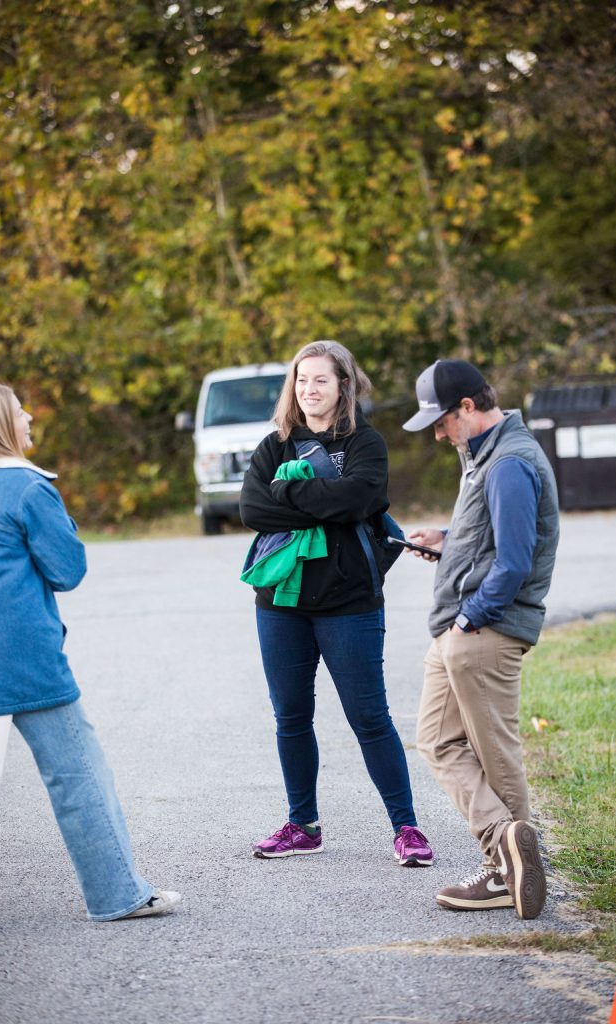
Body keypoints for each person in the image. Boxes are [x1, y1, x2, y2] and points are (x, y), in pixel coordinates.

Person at [0, 383, 181, 922]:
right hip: (23, 659)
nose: (28, 416)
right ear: (0, 425)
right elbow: (67, 570)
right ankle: (117, 894)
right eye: (19, 411)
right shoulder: (26, 487)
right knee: (77, 775)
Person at [240, 341, 434, 865]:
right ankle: (302, 825)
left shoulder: (366, 443)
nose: (309, 390)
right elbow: (252, 509)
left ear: (343, 384)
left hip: (350, 603)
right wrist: (325, 505)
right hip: (281, 604)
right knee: (291, 717)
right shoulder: (275, 445)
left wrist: (289, 495)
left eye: (320, 380)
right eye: (302, 380)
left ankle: (407, 828)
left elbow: (359, 499)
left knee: (369, 718)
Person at [402, 359, 559, 919]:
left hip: (485, 631)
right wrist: (449, 541)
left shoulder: (509, 462)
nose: (439, 435)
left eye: (441, 422)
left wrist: (470, 619)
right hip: (460, 628)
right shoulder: (485, 456)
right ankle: (506, 844)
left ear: (468, 407)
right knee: (436, 741)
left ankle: (503, 870)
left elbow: (515, 561)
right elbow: (492, 538)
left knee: (494, 752)